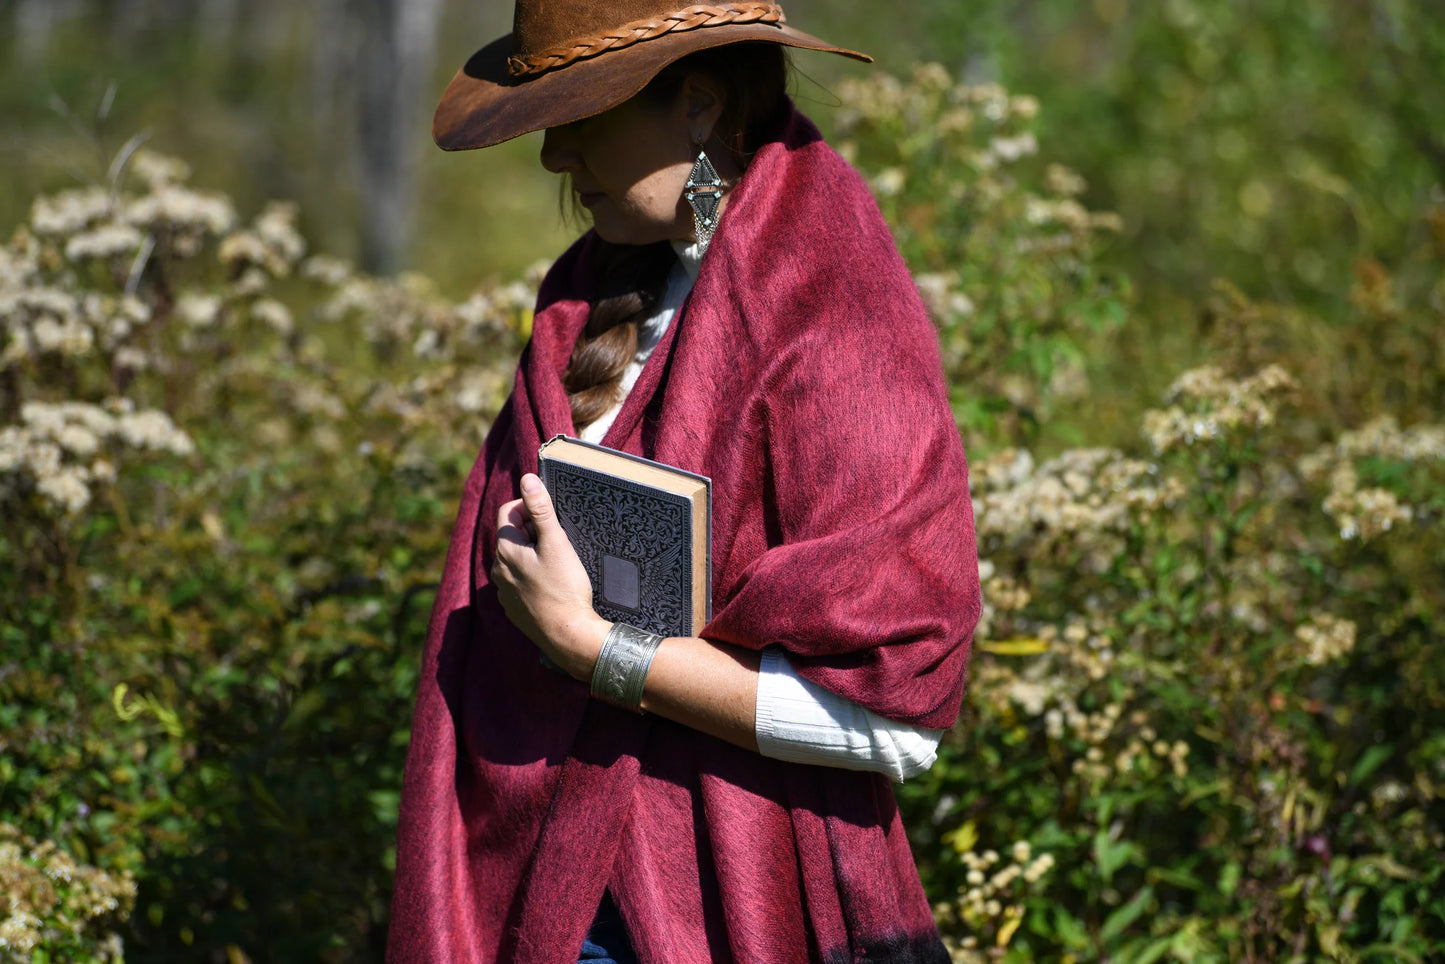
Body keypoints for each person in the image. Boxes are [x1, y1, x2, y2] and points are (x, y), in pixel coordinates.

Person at [387, 3, 981, 962]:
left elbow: (893, 722)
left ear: (699, 108)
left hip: (729, 910)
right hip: (536, 886)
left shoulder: (837, 324)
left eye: (578, 116)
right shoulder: (585, 295)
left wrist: (596, 647)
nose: (552, 159)